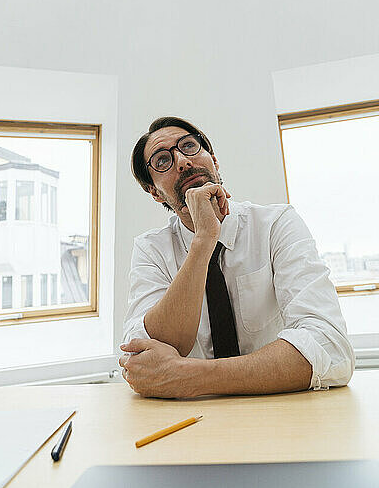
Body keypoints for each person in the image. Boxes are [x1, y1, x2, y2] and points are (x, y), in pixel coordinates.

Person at [120, 116, 355, 398]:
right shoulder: (150, 249)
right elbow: (144, 358)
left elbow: (330, 347)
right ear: (154, 192)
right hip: (190, 423)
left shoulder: (277, 224)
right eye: (162, 161)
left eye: (189, 146)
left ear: (214, 160)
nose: (182, 161)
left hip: (282, 409)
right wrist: (204, 240)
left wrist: (188, 376)